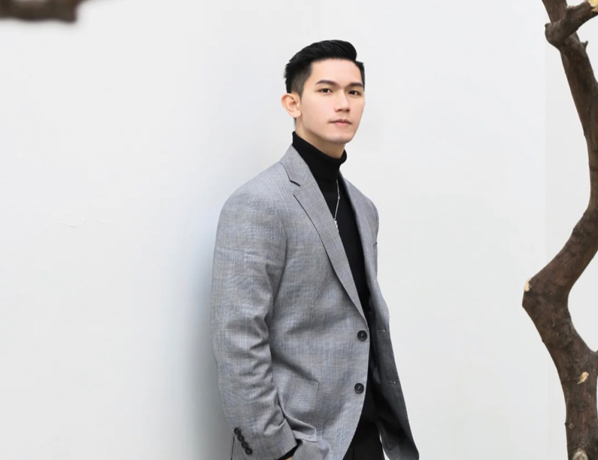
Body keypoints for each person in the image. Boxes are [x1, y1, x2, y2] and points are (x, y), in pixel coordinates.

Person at [211, 39, 418, 460]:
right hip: (299, 444)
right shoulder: (258, 203)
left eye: (354, 91)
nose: (343, 103)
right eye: (326, 90)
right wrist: (281, 450)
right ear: (293, 103)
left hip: (366, 438)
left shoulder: (363, 208)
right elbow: (238, 340)